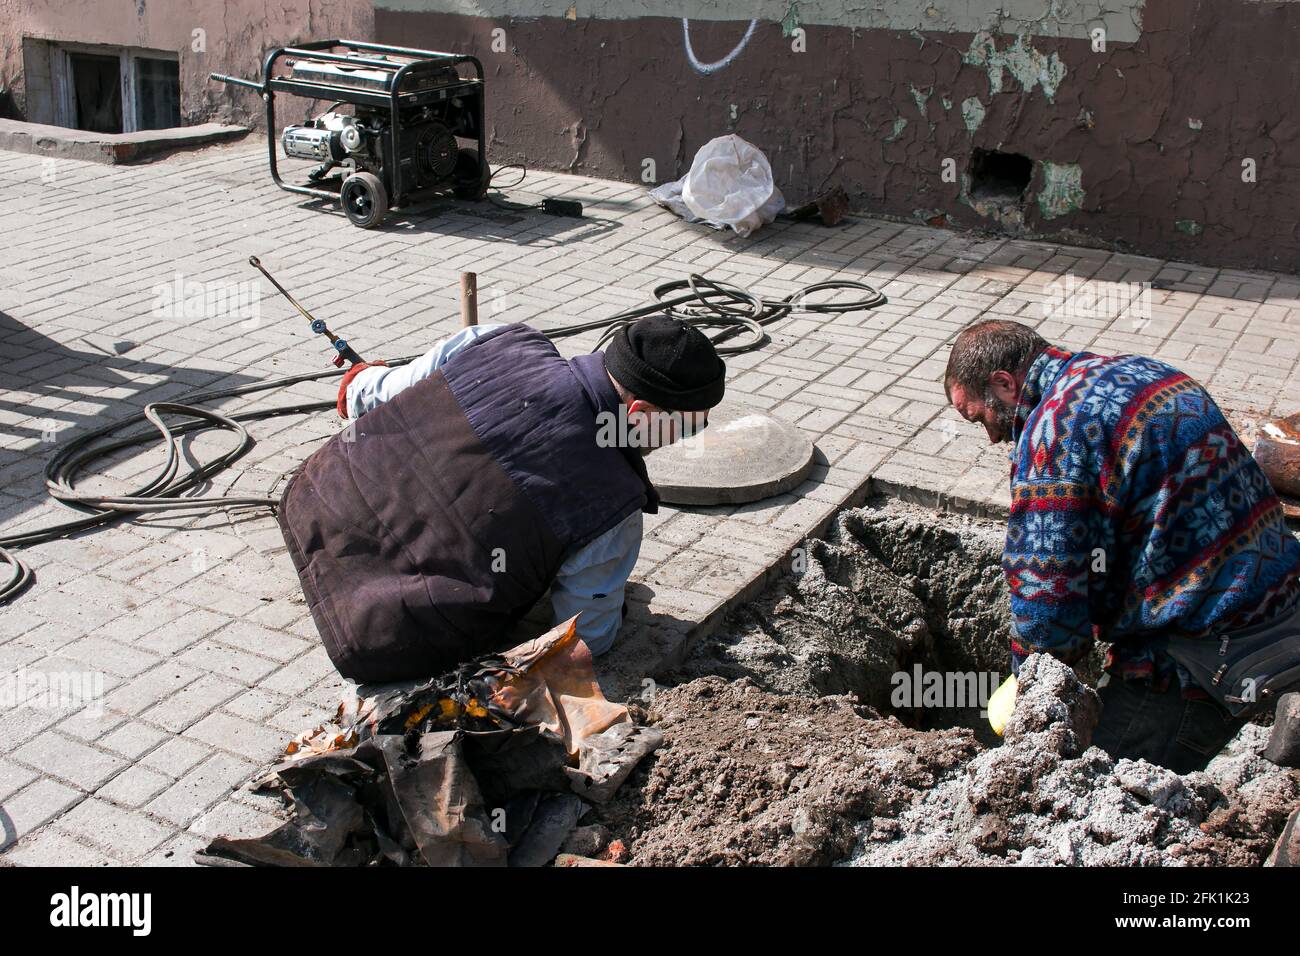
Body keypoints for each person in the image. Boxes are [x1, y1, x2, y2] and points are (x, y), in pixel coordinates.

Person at [278, 316, 725, 683]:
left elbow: (384, 390)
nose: (683, 441)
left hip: (312, 504)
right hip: (374, 632)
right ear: (641, 414)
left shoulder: (499, 340)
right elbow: (583, 639)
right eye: (687, 427)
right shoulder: (612, 509)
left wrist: (357, 382)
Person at [944, 318, 1300, 772]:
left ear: (1004, 383)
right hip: (1282, 596)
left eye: (980, 416)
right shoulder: (1142, 371)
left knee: (1087, 785)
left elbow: (1047, 594)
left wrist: (1035, 687)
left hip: (1206, 653)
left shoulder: (1054, 432)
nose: (992, 435)